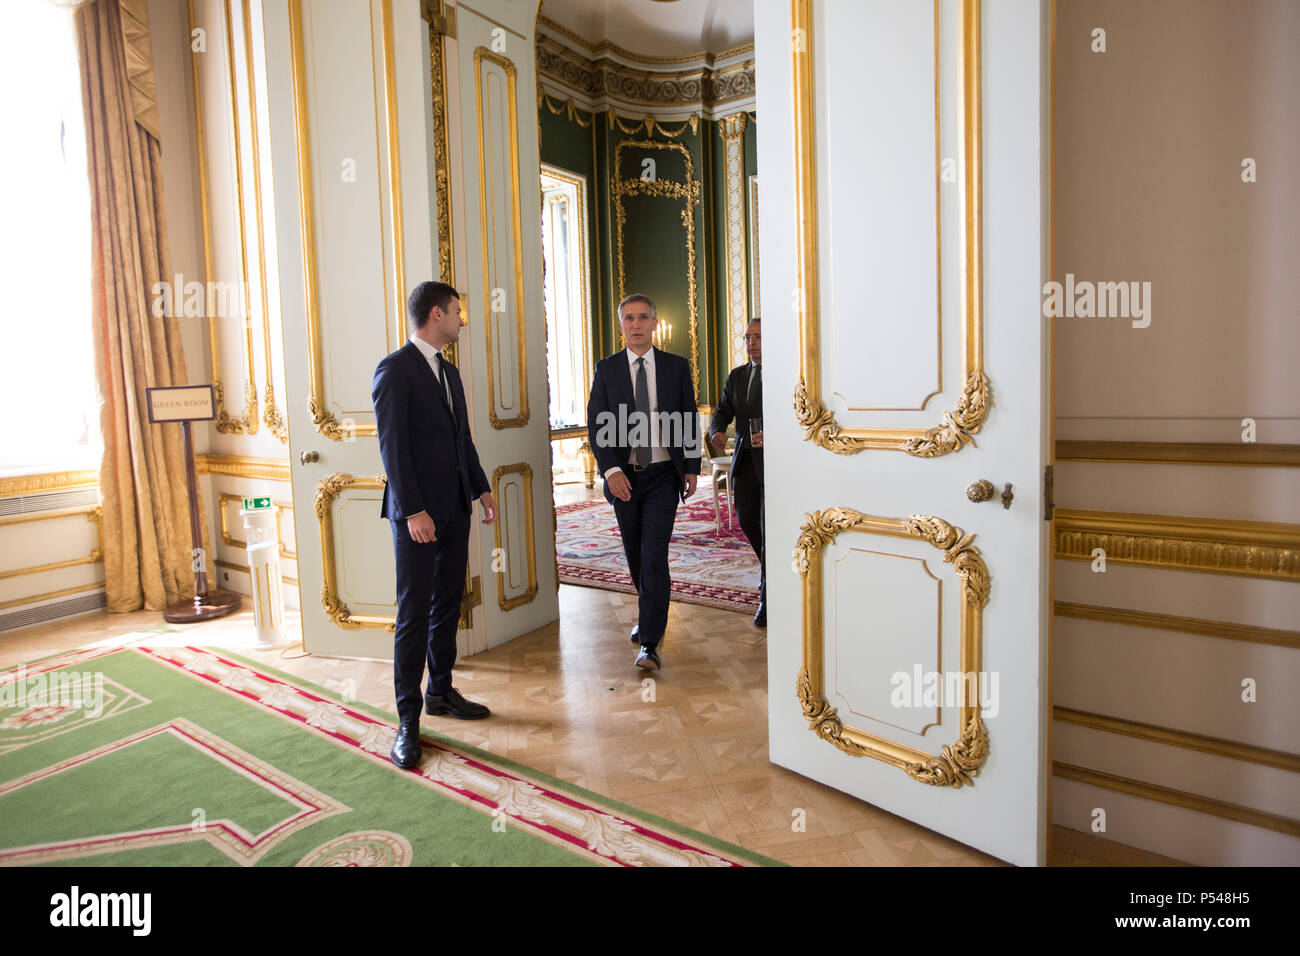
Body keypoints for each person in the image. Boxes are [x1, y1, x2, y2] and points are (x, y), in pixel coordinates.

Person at [372, 280, 498, 769]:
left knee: (449, 602)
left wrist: (481, 488)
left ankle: (441, 690)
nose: (462, 320)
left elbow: (461, 439)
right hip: (417, 517)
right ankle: (408, 720)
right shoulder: (394, 370)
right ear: (436, 314)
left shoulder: (450, 374)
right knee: (414, 613)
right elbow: (393, 450)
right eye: (457, 312)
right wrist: (412, 511)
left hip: (455, 510)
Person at [587, 293, 702, 671]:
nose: (636, 324)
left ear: (654, 323)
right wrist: (612, 471)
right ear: (621, 326)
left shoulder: (675, 367)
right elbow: (598, 425)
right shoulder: (606, 370)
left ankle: (650, 642)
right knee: (636, 554)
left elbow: (687, 417)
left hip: (663, 477)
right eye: (628, 319)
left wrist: (691, 467)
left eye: (642, 318)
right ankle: (648, 611)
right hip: (625, 479)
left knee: (654, 555)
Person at [709, 318, 765, 627]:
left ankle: (768, 598)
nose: (751, 342)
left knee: (770, 528)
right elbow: (721, 411)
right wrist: (716, 430)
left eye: (757, 336)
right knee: (747, 521)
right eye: (747, 337)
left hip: (776, 464)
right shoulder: (738, 376)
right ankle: (768, 571)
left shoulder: (786, 374)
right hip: (744, 463)